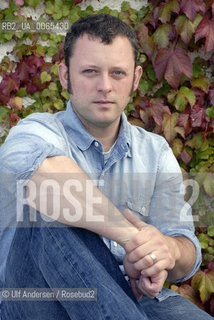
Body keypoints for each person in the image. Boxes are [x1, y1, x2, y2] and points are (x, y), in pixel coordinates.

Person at [0, 13, 212, 320]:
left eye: (117, 73)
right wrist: (132, 239)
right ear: (65, 75)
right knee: (45, 206)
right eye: (90, 72)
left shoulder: (154, 151)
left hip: (135, 298)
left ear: (136, 78)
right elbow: (42, 182)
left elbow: (185, 250)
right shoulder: (35, 131)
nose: (105, 86)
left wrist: (163, 250)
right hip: (39, 300)